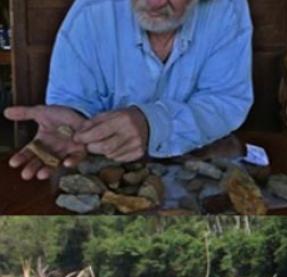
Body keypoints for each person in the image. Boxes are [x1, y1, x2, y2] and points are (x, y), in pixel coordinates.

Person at [4, 0, 253, 181]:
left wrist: (153, 124)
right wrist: (73, 120)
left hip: (200, 166)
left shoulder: (227, 9)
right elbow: (73, 105)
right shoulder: (90, 15)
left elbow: (226, 100)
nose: (155, 2)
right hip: (105, 174)